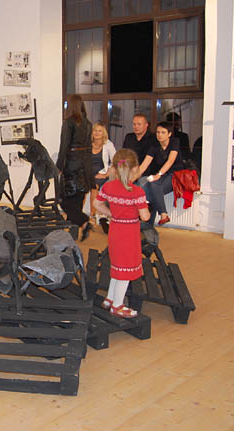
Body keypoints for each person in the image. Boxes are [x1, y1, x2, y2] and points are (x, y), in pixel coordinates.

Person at [93, 149, 150, 318]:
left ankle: (110, 298)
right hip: (129, 234)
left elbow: (97, 204)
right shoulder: (137, 192)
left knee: (117, 265)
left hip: (115, 230)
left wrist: (111, 214)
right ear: (135, 169)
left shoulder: (108, 186)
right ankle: (117, 306)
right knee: (126, 269)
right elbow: (145, 216)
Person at [56, 94, 93, 240]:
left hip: (71, 165)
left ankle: (84, 221)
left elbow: (64, 146)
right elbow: (89, 148)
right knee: (77, 200)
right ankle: (74, 233)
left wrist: (58, 166)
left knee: (64, 201)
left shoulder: (69, 122)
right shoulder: (88, 123)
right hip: (84, 164)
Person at [137, 121, 185, 226]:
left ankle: (158, 216)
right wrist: (131, 179)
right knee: (142, 183)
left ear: (169, 134)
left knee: (153, 186)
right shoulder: (154, 145)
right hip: (160, 175)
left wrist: (158, 174)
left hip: (174, 174)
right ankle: (152, 222)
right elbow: (144, 164)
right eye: (158, 132)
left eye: (163, 132)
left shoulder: (175, 142)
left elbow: (170, 161)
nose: (159, 135)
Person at [88, 122, 116, 216]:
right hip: (87, 172)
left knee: (94, 187)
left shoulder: (108, 144)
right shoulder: (87, 144)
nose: (97, 133)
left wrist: (106, 174)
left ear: (104, 133)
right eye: (95, 130)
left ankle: (92, 215)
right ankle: (79, 215)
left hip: (101, 173)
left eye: (100, 131)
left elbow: (115, 161)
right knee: (81, 189)